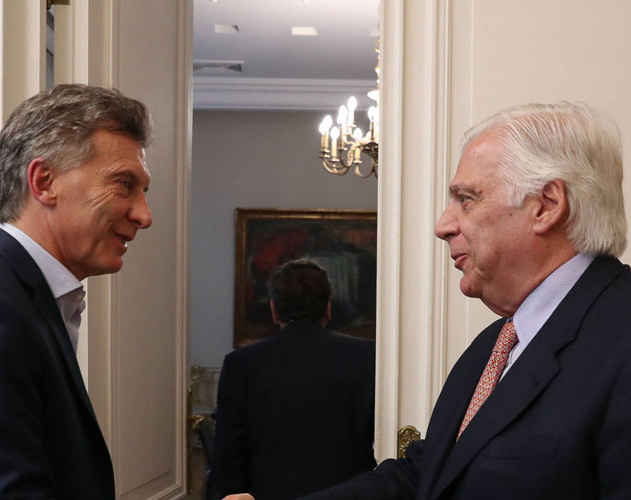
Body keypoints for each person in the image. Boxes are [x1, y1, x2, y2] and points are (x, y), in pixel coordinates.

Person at [223, 101, 631, 500]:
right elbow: (428, 474)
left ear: (546, 206)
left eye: (466, 199)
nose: (443, 225)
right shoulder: (496, 343)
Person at [0, 84, 153, 499]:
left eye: (143, 191)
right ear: (44, 181)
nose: (144, 215)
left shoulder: (22, 297)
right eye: (124, 184)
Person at [213, 259, 376, 500]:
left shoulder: (241, 363)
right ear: (328, 308)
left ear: (273, 310)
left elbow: (228, 451)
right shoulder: (367, 356)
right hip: (349, 494)